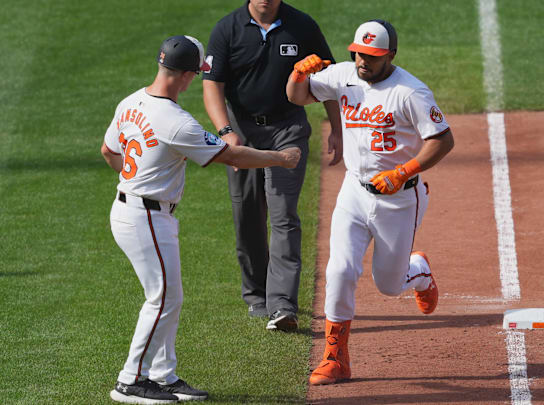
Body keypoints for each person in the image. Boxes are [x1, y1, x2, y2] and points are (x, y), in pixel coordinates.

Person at [100, 35, 301, 404]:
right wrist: (280, 158)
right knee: (161, 298)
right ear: (187, 74)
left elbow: (109, 151)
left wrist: (134, 179)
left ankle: (163, 375)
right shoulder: (176, 122)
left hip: (131, 209)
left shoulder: (130, 101)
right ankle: (131, 380)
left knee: (168, 297)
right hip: (145, 216)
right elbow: (234, 157)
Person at [286, 20, 455, 385]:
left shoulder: (411, 92)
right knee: (339, 271)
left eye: (373, 56)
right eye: (359, 53)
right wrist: (298, 74)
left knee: (389, 286)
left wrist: (402, 171)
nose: (364, 61)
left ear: (390, 55)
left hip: (400, 199)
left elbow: (443, 140)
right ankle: (335, 358)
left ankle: (420, 271)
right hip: (354, 191)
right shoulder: (343, 75)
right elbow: (296, 97)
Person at [202, 0, 342, 331]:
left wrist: (337, 128)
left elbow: (330, 78)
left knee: (283, 215)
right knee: (248, 212)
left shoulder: (302, 26)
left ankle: (282, 304)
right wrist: (226, 132)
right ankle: (256, 294)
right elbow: (212, 84)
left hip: (288, 128)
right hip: (242, 130)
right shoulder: (227, 29)